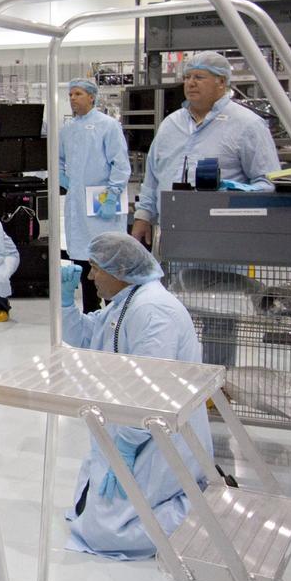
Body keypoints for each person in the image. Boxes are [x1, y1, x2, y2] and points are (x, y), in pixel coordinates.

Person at [59, 232, 213, 560]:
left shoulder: (153, 311)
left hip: (159, 434)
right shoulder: (127, 302)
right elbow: (86, 338)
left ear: (119, 271)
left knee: (108, 533)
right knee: (92, 511)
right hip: (136, 428)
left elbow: (151, 389)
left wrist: (127, 444)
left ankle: (202, 507)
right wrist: (65, 304)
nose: (90, 277)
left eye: (95, 268)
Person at [131, 51, 279, 249]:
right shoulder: (171, 124)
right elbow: (153, 177)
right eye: (187, 77)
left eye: (199, 77)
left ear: (221, 82)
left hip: (225, 240)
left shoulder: (247, 125)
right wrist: (143, 216)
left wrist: (229, 192)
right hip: (172, 236)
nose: (190, 83)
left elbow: (268, 182)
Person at [59, 78, 130, 312]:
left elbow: (120, 164)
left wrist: (113, 194)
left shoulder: (108, 125)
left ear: (92, 97)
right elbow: (58, 159)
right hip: (78, 202)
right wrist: (63, 179)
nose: (73, 98)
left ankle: (115, 311)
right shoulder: (68, 129)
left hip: (103, 200)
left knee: (107, 259)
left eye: (78, 94)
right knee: (82, 259)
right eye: (70, 94)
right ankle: (90, 312)